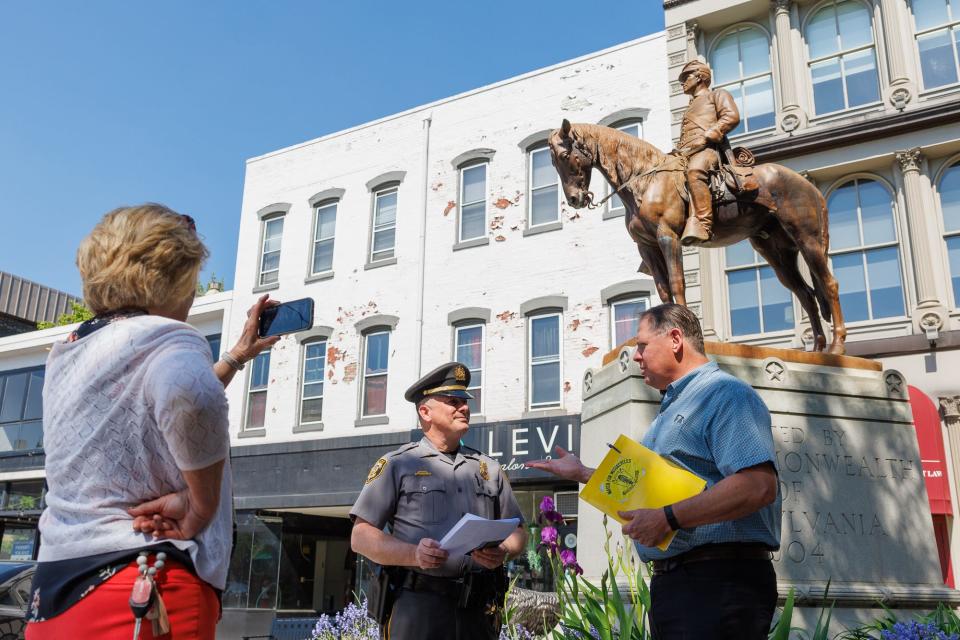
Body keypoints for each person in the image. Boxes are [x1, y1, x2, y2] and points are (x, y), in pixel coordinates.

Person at [26, 204, 278, 640]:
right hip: (145, 590)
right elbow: (190, 395)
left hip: (56, 590)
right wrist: (199, 507)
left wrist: (236, 356)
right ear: (176, 277)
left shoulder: (69, 350)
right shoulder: (170, 338)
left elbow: (154, 402)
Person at [527, 303, 781, 640]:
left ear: (676, 339)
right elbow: (655, 488)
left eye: (643, 345)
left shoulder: (725, 395)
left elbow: (758, 486)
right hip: (682, 585)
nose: (635, 356)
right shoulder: (672, 407)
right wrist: (585, 473)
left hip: (719, 583)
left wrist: (668, 518)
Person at [350, 362, 528, 640]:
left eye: (465, 401)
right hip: (419, 607)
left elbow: (518, 531)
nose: (464, 407)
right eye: (453, 402)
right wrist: (414, 555)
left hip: (478, 608)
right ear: (425, 411)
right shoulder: (398, 464)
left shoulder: (488, 469)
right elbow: (360, 537)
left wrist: (503, 551)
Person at [674, 60, 741, 246]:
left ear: (700, 76)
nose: (682, 82)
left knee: (695, 171)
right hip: (686, 153)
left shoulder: (717, 95)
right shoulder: (689, 107)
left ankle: (703, 223)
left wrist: (708, 135)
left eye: (686, 76)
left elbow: (731, 116)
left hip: (708, 150)